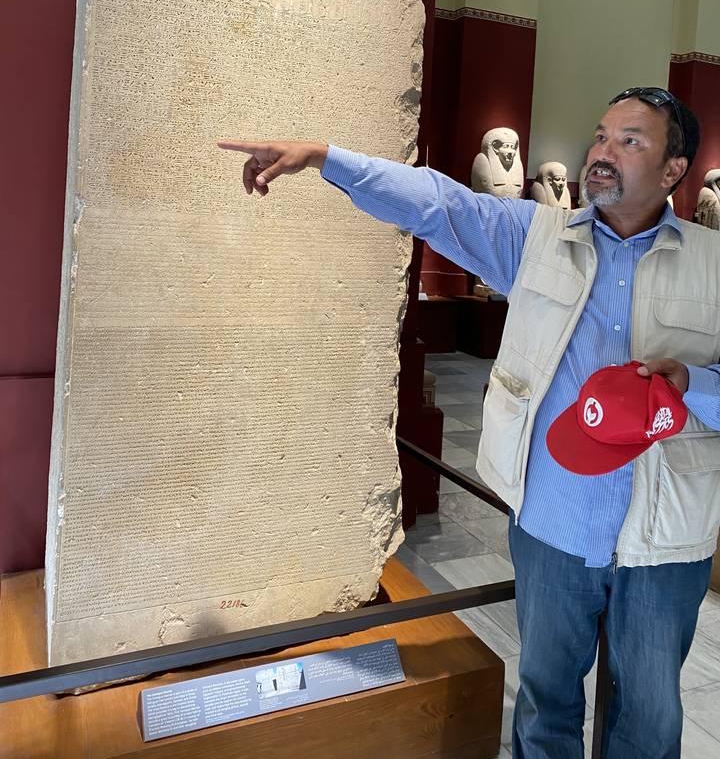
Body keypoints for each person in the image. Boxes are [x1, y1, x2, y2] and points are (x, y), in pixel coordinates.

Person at [218, 87, 720, 758]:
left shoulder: (714, 268)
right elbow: (438, 202)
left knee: (649, 722)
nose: (602, 153)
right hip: (553, 526)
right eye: (601, 136)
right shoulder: (536, 238)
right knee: (546, 706)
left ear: (673, 170)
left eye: (630, 141)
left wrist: (692, 385)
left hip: (666, 539)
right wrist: (324, 159)